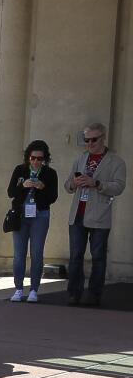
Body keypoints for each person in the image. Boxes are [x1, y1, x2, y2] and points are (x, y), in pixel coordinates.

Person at [64, 122, 125, 306]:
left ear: (103, 138)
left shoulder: (115, 161)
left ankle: (94, 294)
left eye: (94, 139)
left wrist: (96, 183)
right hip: (77, 214)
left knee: (98, 256)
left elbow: (119, 186)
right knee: (75, 255)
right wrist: (75, 182)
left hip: (99, 215)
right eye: (86, 140)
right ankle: (74, 293)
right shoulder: (81, 159)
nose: (90, 143)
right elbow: (67, 186)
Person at [6, 140, 58, 302]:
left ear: (45, 159)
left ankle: (34, 290)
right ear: (28, 157)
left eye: (40, 159)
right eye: (33, 158)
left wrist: (42, 187)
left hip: (40, 215)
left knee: (36, 253)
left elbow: (53, 197)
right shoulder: (20, 170)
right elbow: (10, 192)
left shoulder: (50, 173)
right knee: (19, 254)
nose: (36, 161)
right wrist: (23, 186)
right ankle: (18, 289)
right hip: (21, 215)